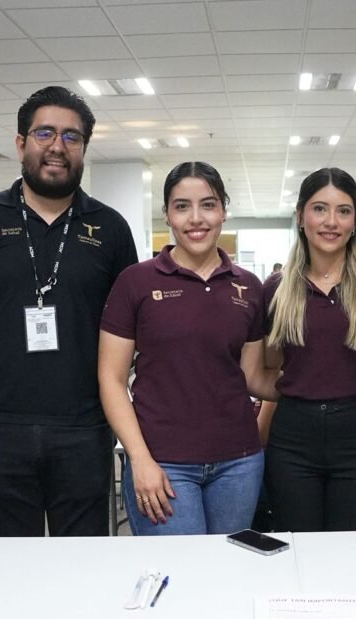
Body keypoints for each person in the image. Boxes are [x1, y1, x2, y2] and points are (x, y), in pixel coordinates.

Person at [0, 86, 138, 537]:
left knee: (83, 556)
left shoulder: (109, 228)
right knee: (11, 557)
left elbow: (129, 326)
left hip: (84, 423)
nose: (57, 146)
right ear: (21, 142)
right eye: (45, 133)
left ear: (84, 147)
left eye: (71, 136)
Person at [98, 161, 277, 535]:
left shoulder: (249, 286)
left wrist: (314, 378)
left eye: (208, 205)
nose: (196, 218)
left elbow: (252, 377)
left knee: (229, 564)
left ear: (223, 210)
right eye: (182, 206)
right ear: (167, 214)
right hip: (163, 463)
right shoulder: (136, 282)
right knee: (179, 569)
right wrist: (139, 459)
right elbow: (111, 379)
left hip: (239, 463)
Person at [262, 168, 356, 532]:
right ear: (300, 216)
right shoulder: (275, 289)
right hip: (292, 437)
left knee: (355, 550)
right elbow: (270, 367)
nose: (331, 222)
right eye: (319, 209)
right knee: (299, 549)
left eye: (343, 211)